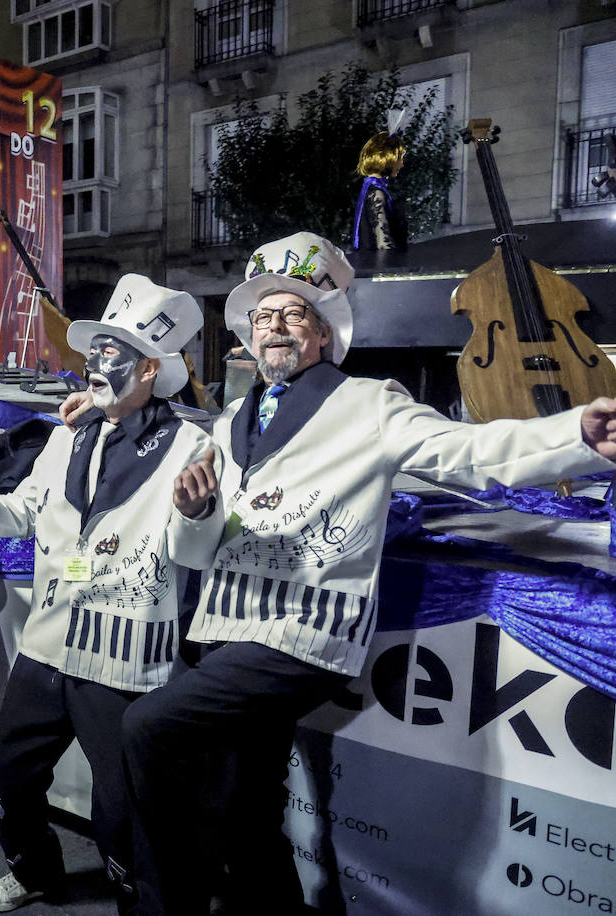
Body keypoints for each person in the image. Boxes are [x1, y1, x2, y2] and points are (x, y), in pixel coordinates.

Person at [104, 231, 616, 915]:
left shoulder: (372, 405)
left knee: (148, 728)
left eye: (292, 315)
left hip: (300, 638)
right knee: (247, 810)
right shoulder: (227, 424)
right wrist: (194, 512)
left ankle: (162, 906)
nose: (274, 327)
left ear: (322, 335)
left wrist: (574, 435)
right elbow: (195, 550)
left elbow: (470, 453)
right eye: (262, 316)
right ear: (248, 339)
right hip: (226, 632)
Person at [0, 275, 224, 914]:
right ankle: (34, 868)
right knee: (8, 773)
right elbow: (22, 513)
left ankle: (137, 902)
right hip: (48, 641)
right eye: (94, 350)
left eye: (112, 353)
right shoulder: (67, 434)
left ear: (149, 368)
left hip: (123, 659)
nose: (93, 364)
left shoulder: (193, 444)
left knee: (121, 810)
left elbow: (195, 555)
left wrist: (196, 514)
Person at [352, 129, 408, 251]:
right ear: (387, 158)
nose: (402, 165)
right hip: (382, 266)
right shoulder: (377, 194)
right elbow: (383, 243)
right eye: (400, 158)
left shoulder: (371, 189)